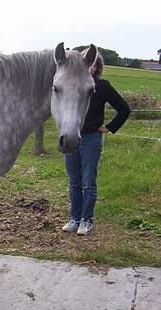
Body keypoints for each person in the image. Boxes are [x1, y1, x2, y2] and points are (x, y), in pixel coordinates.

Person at [62, 49, 131, 235]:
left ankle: (86, 220)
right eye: (85, 63)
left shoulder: (102, 86)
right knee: (74, 182)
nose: (88, 67)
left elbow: (124, 109)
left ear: (97, 66)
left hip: (91, 139)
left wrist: (109, 127)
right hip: (71, 139)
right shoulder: (72, 85)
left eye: (92, 64)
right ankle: (75, 219)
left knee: (88, 182)